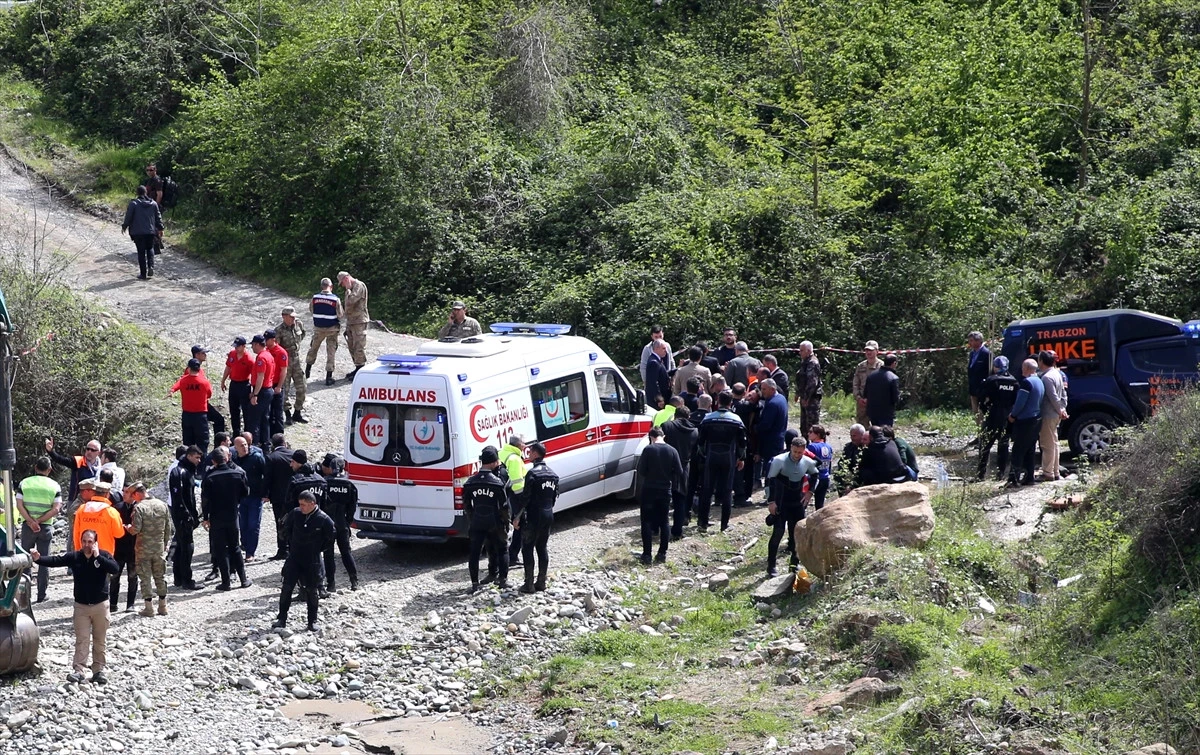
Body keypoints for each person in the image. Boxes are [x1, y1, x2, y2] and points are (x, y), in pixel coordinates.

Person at [32, 529, 120, 684]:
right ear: (81, 541)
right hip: (81, 607)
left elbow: (115, 569)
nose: (87, 545)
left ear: (95, 543)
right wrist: (38, 559)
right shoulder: (75, 557)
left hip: (100, 605)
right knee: (82, 639)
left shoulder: (104, 555)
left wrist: (98, 556)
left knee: (100, 640)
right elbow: (55, 561)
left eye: (90, 542)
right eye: (84, 541)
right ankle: (79, 670)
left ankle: (99, 671)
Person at [274, 490, 335, 632]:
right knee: (287, 588)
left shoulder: (324, 519)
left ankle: (312, 621)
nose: (301, 507)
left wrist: (317, 549)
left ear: (312, 504)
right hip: (294, 557)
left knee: (312, 591)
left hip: (312, 560)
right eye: (300, 504)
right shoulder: (295, 514)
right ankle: (281, 618)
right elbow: (285, 529)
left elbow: (330, 538)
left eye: (304, 505)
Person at [765, 437, 820, 576]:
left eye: (800, 452)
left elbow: (815, 475)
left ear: (804, 451)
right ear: (790, 448)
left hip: (797, 502)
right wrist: (771, 502)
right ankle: (771, 566)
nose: (797, 455)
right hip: (781, 501)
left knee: (797, 533)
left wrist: (810, 492)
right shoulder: (779, 460)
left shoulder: (807, 461)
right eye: (795, 451)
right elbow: (769, 481)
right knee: (777, 533)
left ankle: (794, 564)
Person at [201, 446, 252, 591]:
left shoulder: (210, 476)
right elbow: (246, 492)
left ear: (213, 461)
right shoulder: (238, 473)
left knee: (220, 549)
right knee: (235, 547)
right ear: (226, 458)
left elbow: (205, 499)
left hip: (217, 517)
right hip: (232, 515)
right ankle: (243, 579)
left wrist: (206, 517)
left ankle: (226, 582)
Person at [696, 392, 747, 532]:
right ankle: (724, 525)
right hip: (728, 457)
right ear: (731, 403)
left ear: (717, 402)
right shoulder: (736, 419)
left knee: (707, 489)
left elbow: (700, 441)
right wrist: (741, 458)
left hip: (711, 456)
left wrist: (704, 454)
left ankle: (702, 523)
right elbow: (742, 442)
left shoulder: (708, 418)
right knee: (727, 490)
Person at [463, 446, 510, 592]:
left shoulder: (470, 482)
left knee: (474, 553)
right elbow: (504, 506)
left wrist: (472, 518)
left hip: (477, 521)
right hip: (494, 521)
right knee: (502, 549)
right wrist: (506, 522)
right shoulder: (497, 482)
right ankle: (502, 580)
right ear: (493, 462)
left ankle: (474, 584)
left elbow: (466, 504)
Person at [16, 456, 62, 603]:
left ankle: (25, 595)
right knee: (44, 559)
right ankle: (41, 594)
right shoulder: (55, 486)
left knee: (25, 559)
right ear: (49, 470)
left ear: (36, 468)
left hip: (28, 527)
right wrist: (40, 521)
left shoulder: (25, 483)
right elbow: (56, 509)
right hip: (45, 526)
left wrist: (30, 521)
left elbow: (19, 504)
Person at [636, 427, 684, 564]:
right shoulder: (672, 450)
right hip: (665, 490)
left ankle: (646, 555)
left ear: (651, 437)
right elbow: (679, 472)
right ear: (664, 436)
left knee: (646, 521)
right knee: (664, 521)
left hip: (649, 489)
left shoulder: (648, 450)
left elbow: (641, 471)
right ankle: (662, 553)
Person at [515, 442, 558, 592]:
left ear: (535, 454)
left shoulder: (532, 474)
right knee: (542, 547)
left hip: (534, 515)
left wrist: (517, 517)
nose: (528, 454)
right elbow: (554, 497)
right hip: (548, 514)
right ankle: (541, 582)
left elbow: (525, 498)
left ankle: (528, 584)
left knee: (527, 548)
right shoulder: (553, 475)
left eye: (530, 451)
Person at [126, 482, 172, 617]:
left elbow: (135, 530)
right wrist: (165, 544)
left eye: (133, 495)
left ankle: (149, 608)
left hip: (143, 549)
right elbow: (168, 528)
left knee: (145, 577)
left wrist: (127, 526)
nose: (133, 498)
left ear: (137, 493)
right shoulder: (162, 504)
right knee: (160, 576)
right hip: (158, 547)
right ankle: (163, 607)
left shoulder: (139, 508)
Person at [320, 454, 359, 592]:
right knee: (346, 552)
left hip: (328, 524)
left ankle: (331, 584)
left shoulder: (324, 483)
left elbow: (321, 505)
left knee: (328, 554)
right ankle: (354, 581)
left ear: (331, 468)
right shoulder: (349, 485)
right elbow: (352, 507)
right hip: (342, 523)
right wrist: (347, 522)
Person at [661, 406, 699, 540]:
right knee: (680, 499)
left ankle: (658, 527)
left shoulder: (666, 426)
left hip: (666, 466)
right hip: (684, 466)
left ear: (675, 416)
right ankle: (677, 530)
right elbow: (695, 451)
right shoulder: (695, 431)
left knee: (663, 498)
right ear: (688, 417)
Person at [978, 356, 1018, 481]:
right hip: (1007, 417)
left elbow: (982, 399)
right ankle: (1000, 473)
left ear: (995, 367)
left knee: (985, 445)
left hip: (993, 415)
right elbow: (1016, 400)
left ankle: (981, 475)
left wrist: (985, 411)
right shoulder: (1014, 381)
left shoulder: (991, 380)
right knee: (1003, 445)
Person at [167, 445, 202, 589]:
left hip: (186, 513)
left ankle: (179, 578)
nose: (199, 461)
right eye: (196, 457)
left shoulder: (187, 470)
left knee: (182, 546)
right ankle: (186, 579)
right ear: (189, 456)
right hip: (182, 515)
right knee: (187, 547)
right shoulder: (180, 472)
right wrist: (187, 515)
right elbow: (179, 497)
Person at [1008, 358, 1045, 486]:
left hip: (1025, 420)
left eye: (1023, 367)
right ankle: (1030, 478)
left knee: (1017, 451)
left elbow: (1020, 402)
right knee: (1030, 449)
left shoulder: (1026, 383)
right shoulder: (1039, 381)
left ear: (1027, 369)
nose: (1021, 370)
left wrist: (1013, 415)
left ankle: (1013, 479)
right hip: (1036, 418)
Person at [232, 436, 268, 561]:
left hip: (255, 496)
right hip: (240, 497)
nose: (245, 447)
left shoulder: (256, 457)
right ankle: (245, 545)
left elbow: (266, 473)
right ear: (235, 447)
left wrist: (266, 493)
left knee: (253, 524)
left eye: (246, 444)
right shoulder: (234, 459)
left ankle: (250, 552)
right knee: (243, 524)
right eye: (241, 445)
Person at [307, 277, 345, 387]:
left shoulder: (315, 298)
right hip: (332, 329)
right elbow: (340, 314)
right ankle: (329, 377)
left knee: (313, 348)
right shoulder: (335, 299)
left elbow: (311, 310)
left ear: (321, 286)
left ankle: (307, 371)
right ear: (331, 287)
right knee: (331, 351)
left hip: (318, 328)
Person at [120, 185, 163, 280]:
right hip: (150, 231)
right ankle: (151, 266)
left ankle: (143, 274)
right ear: (146, 192)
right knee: (150, 248)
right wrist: (160, 228)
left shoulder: (133, 204)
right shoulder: (153, 203)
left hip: (137, 232)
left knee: (141, 252)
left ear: (137, 193)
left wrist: (124, 226)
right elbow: (158, 217)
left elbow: (128, 217)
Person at [499, 435, 529, 566]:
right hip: (515, 497)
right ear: (518, 445)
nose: (525, 446)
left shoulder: (502, 453)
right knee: (520, 525)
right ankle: (512, 556)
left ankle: (506, 556)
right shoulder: (515, 459)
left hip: (503, 497)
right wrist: (524, 502)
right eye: (523, 444)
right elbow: (517, 484)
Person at [171, 358, 214, 452]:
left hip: (187, 415)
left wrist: (172, 390)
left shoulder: (183, 381)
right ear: (199, 369)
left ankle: (188, 464)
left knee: (188, 443)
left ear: (188, 369)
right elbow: (209, 394)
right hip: (200, 416)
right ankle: (202, 464)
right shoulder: (204, 382)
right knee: (202, 443)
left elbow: (177, 385)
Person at [1039, 350, 1069, 481]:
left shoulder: (1046, 377)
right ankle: (1055, 471)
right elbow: (1064, 395)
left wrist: (1060, 410)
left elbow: (1053, 397)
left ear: (1041, 361)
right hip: (1056, 414)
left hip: (1048, 414)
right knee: (1055, 443)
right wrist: (1063, 409)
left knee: (1047, 445)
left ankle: (1047, 473)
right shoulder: (1057, 374)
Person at [108, 483, 138, 613]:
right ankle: (113, 604)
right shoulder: (116, 508)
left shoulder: (139, 509)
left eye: (127, 492)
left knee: (132, 577)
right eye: (123, 491)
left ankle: (130, 604)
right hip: (119, 548)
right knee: (115, 576)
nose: (124, 494)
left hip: (133, 549)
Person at [73, 481, 125, 555]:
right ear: (107, 494)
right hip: (105, 555)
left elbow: (76, 533)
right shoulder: (112, 512)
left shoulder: (82, 509)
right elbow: (119, 534)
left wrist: (78, 551)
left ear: (94, 493)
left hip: (84, 552)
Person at [44, 436, 101, 504]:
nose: (89, 451)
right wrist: (51, 451)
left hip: (94, 503)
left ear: (98, 453)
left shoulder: (101, 467)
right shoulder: (77, 461)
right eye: (87, 449)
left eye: (92, 450)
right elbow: (60, 460)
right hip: (75, 502)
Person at [276, 307, 308, 424]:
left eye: (294, 316)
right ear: (284, 316)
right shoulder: (278, 330)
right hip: (285, 362)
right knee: (285, 388)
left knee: (302, 386)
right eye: (291, 317)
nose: (294, 319)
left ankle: (297, 412)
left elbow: (303, 334)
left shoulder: (298, 324)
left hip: (297, 359)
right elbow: (276, 348)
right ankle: (287, 414)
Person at [265, 435, 295, 560]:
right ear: (285, 443)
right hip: (294, 495)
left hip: (278, 496)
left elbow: (268, 478)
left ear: (273, 444)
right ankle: (293, 548)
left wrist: (265, 494)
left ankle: (283, 549)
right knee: (294, 521)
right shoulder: (293, 455)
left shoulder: (271, 457)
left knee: (280, 522)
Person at [756, 378, 789, 490]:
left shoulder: (772, 404)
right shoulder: (781, 398)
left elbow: (766, 425)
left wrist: (754, 428)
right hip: (778, 439)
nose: (762, 392)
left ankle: (770, 494)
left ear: (772, 389)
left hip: (771, 441)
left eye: (764, 389)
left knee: (770, 469)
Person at [338, 271, 370, 381]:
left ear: (346, 279)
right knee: (351, 345)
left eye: (342, 283)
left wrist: (347, 289)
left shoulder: (359, 286)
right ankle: (357, 367)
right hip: (351, 322)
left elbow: (351, 301)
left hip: (359, 321)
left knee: (359, 346)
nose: (343, 286)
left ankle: (361, 368)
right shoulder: (350, 289)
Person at [189, 345, 228, 435]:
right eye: (203, 353)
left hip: (202, 401)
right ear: (197, 355)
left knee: (218, 419)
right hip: (198, 404)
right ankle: (219, 445)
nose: (205, 355)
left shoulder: (198, 369)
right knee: (218, 420)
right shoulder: (191, 369)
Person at [221, 336, 255, 437]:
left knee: (246, 410)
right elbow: (228, 367)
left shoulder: (249, 359)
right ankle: (236, 432)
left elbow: (254, 375)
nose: (236, 348)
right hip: (234, 384)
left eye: (238, 346)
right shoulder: (232, 354)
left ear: (243, 346)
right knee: (233, 409)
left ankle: (247, 433)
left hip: (244, 385)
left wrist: (253, 390)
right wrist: (223, 380)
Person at [248, 335, 276, 446]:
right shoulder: (268, 355)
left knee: (254, 419)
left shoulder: (261, 358)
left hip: (262, 390)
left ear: (257, 344)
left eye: (253, 345)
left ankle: (254, 444)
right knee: (265, 419)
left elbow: (260, 377)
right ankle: (265, 443)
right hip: (267, 389)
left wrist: (255, 394)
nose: (252, 348)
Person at [793, 341, 822, 435]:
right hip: (805, 397)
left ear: (808, 351)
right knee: (804, 426)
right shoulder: (805, 362)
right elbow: (802, 379)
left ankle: (814, 446)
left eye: (802, 350)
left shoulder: (812, 363)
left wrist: (806, 398)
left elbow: (812, 383)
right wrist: (798, 393)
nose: (799, 352)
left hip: (812, 398)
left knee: (812, 426)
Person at [264, 329, 290, 438]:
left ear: (273, 339)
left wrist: (279, 386)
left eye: (267, 339)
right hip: (267, 385)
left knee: (278, 412)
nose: (265, 341)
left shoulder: (281, 352)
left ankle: (279, 437)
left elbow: (284, 371)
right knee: (268, 412)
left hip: (276, 385)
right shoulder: (266, 351)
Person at [864, 353, 901, 428]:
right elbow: (895, 398)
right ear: (894, 363)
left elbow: (865, 394)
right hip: (886, 413)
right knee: (885, 434)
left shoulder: (871, 376)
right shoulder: (894, 378)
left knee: (875, 433)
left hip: (872, 412)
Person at [853, 341, 883, 427]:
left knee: (877, 427)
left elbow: (883, 386)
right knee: (861, 426)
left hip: (876, 402)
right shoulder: (860, 366)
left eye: (871, 350)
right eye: (866, 350)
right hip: (862, 402)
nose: (868, 352)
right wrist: (858, 398)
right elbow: (855, 383)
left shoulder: (881, 366)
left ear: (877, 351)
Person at [834, 424, 869, 494]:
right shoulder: (848, 447)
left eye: (854, 436)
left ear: (862, 435)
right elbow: (842, 464)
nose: (852, 438)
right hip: (849, 476)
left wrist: (852, 485)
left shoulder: (866, 448)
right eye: (851, 436)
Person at [805, 425, 833, 510]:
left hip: (814, 479)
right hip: (825, 478)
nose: (808, 434)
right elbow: (830, 463)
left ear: (817, 434)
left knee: (804, 502)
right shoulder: (828, 447)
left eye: (810, 432)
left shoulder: (812, 447)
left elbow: (807, 463)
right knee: (820, 506)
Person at [967, 332, 991, 421]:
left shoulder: (987, 353)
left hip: (983, 387)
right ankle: (977, 427)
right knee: (975, 410)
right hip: (973, 386)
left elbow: (990, 371)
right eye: (969, 341)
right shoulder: (972, 353)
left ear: (979, 341)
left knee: (982, 410)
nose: (970, 343)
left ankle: (982, 429)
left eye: (972, 341)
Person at [644, 340, 672, 411]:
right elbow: (653, 382)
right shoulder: (654, 362)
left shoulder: (658, 359)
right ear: (656, 348)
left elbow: (663, 374)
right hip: (657, 401)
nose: (666, 350)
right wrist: (659, 399)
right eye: (663, 348)